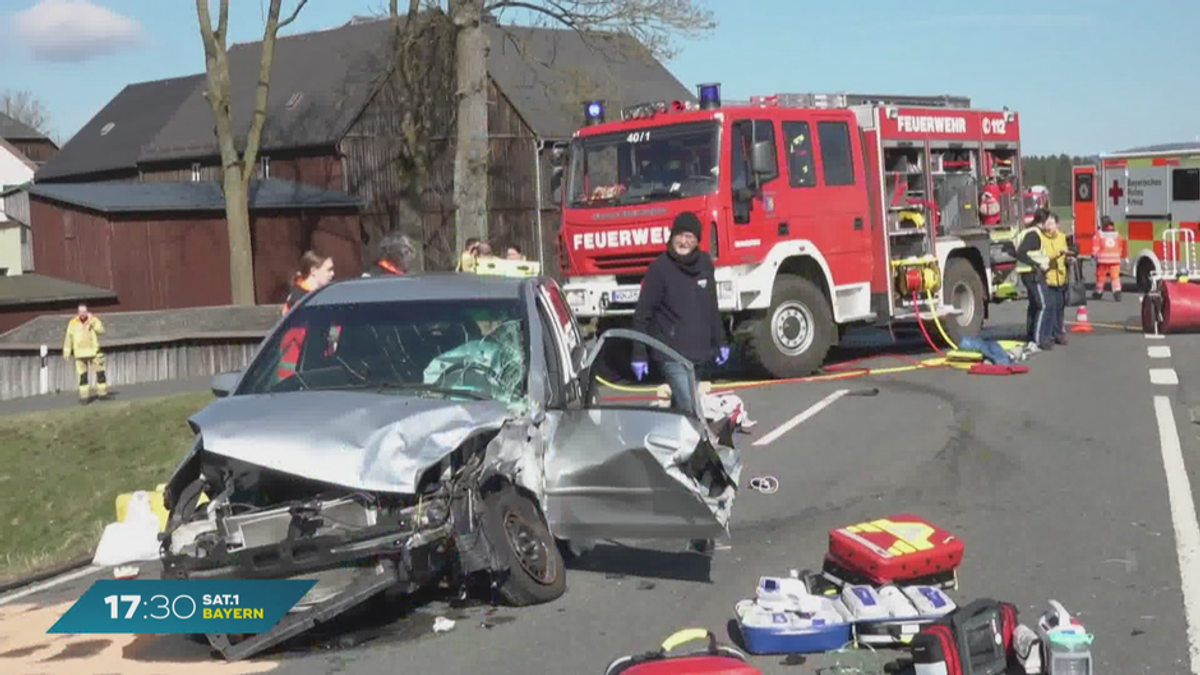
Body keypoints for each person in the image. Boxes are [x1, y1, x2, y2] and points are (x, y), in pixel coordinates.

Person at [630, 211, 729, 414]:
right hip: (671, 353)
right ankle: (704, 444)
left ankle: (671, 440)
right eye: (680, 236)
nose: (683, 241)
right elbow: (642, 314)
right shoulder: (659, 269)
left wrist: (721, 341)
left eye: (689, 237)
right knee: (691, 409)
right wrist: (638, 353)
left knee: (681, 409)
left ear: (696, 241)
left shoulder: (704, 264)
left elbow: (712, 305)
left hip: (699, 353)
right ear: (671, 236)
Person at [279, 251, 336, 381]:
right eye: (329, 270)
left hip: (306, 373)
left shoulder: (312, 297)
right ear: (314, 271)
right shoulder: (300, 300)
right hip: (294, 376)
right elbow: (307, 340)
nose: (332, 274)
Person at [63, 303, 108, 404]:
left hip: (94, 352)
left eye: (84, 312)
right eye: (81, 312)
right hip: (79, 354)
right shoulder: (72, 323)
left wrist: (92, 322)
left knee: (100, 373)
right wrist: (67, 351)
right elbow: (68, 338)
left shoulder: (93, 320)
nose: (83, 314)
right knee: (82, 377)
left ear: (87, 312)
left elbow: (101, 331)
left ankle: (102, 394)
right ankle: (84, 397)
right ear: (78, 313)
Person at [283, 251, 335, 315]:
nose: (333, 273)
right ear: (313, 271)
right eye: (329, 270)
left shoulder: (322, 293)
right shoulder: (299, 298)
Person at [1093, 216, 1125, 301]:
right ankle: (1117, 293)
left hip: (1103, 260)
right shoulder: (1117, 234)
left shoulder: (1099, 233)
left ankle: (1098, 292)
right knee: (1115, 277)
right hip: (1115, 260)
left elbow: (1096, 247)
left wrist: (1094, 255)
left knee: (1101, 277)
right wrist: (1119, 255)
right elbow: (1121, 246)